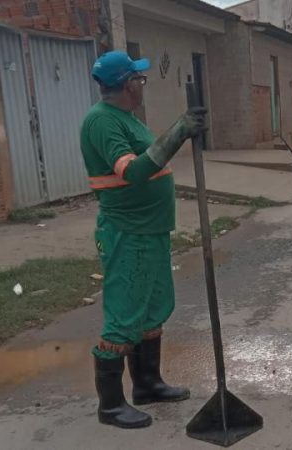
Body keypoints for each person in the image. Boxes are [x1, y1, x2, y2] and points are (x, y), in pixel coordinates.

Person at [79, 51, 205, 429]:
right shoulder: (101, 121)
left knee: (152, 308)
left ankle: (147, 383)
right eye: (139, 79)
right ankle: (110, 405)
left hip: (150, 229)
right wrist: (178, 132)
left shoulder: (127, 118)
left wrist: (180, 133)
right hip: (127, 232)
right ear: (127, 84)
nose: (141, 85)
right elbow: (133, 171)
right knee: (124, 314)